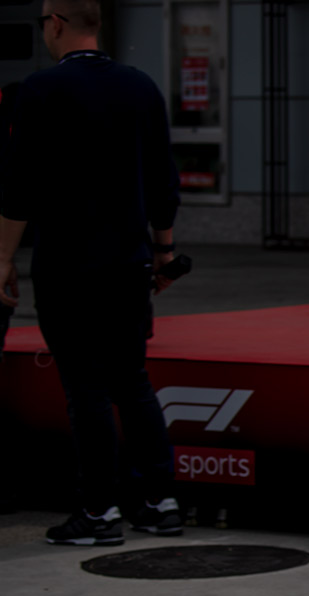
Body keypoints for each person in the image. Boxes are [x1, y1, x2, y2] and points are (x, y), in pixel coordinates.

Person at [0, 0, 184, 544]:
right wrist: (164, 252)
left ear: (55, 23)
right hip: (127, 263)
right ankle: (160, 501)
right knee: (132, 380)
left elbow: (18, 186)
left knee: (86, 390)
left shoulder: (39, 91)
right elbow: (162, 178)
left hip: (68, 266)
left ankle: (100, 513)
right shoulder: (141, 87)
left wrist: (2, 257)